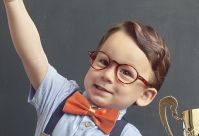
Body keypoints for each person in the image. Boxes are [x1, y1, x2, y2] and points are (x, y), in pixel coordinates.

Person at [3, 0, 171, 135]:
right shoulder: (58, 94)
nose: (108, 76)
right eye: (104, 62)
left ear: (145, 95)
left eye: (126, 73)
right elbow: (33, 54)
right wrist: (12, 2)